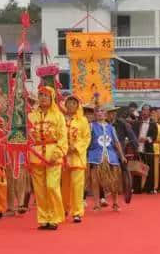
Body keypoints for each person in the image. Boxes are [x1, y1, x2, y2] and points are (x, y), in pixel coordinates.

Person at [27, 86, 67, 231]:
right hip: (36, 155)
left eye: (46, 95)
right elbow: (26, 136)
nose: (43, 98)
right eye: (41, 95)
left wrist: (56, 154)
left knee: (51, 186)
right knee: (39, 189)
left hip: (53, 155)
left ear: (51, 98)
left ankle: (55, 217)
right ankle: (43, 219)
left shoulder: (58, 116)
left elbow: (63, 138)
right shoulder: (31, 116)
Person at [88, 107, 127, 212]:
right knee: (95, 181)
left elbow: (116, 142)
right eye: (97, 111)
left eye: (102, 111)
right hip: (95, 156)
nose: (100, 113)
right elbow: (86, 141)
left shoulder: (111, 128)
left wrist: (122, 156)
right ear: (94, 114)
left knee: (114, 180)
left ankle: (115, 203)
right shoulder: (91, 126)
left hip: (111, 156)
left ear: (106, 114)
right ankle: (96, 204)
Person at [61, 95, 90, 223]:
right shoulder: (60, 119)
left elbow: (86, 138)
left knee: (77, 186)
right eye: (69, 102)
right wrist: (63, 147)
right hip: (63, 156)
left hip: (77, 157)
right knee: (64, 185)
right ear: (65, 104)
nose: (71, 105)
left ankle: (77, 212)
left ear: (78, 106)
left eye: (74, 103)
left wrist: (76, 147)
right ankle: (64, 208)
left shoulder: (83, 120)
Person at [132, 105, 158, 194]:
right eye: (143, 110)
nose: (145, 112)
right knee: (137, 169)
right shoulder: (136, 122)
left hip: (148, 149)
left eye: (147, 110)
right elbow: (132, 134)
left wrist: (146, 139)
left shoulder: (153, 123)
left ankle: (149, 188)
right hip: (138, 148)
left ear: (150, 112)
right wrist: (136, 139)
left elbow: (154, 137)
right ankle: (136, 189)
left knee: (149, 169)